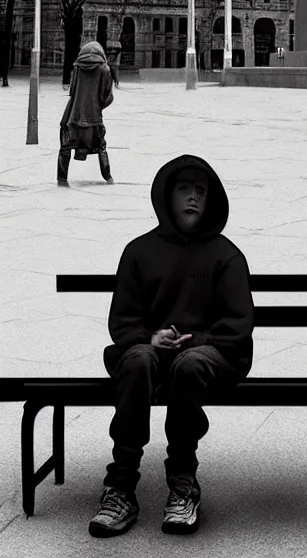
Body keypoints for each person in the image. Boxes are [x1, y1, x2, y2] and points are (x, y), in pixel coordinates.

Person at [88, 154, 255, 538]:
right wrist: (149, 337)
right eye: (184, 189)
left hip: (211, 355)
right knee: (138, 361)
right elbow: (123, 321)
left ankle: (183, 482)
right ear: (168, 195)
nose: (193, 197)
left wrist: (194, 341)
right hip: (150, 352)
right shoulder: (139, 251)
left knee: (190, 364)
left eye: (200, 190)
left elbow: (237, 325)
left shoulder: (226, 255)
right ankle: (121, 487)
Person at [57, 40, 115, 186]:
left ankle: (62, 178)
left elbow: (72, 90)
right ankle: (108, 176)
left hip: (73, 114)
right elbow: (106, 96)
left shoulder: (77, 68)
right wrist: (97, 106)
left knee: (66, 147)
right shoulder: (104, 69)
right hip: (93, 116)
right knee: (101, 146)